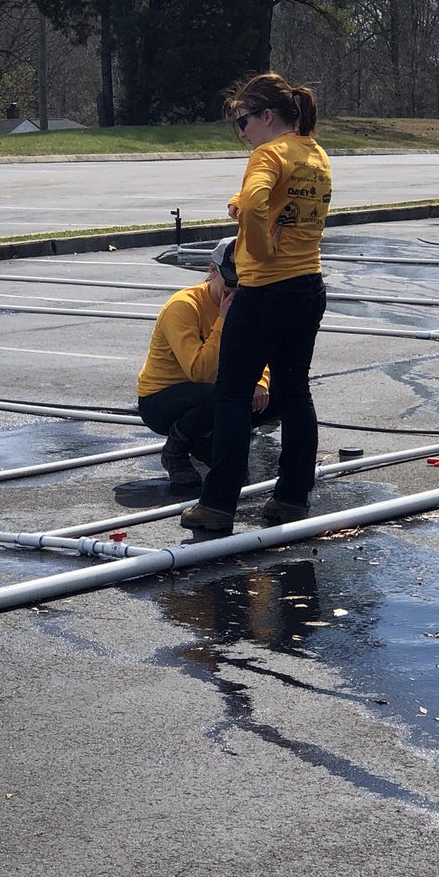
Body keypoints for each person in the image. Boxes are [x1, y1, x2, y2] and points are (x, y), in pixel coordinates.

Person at [180, 71, 332, 534]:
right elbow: (290, 201)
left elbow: (256, 201)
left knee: (231, 394)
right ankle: (291, 497)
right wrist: (245, 205)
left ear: (267, 116)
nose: (242, 134)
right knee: (295, 390)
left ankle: (218, 504)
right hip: (309, 284)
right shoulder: (315, 153)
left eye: (243, 122)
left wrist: (259, 245)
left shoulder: (268, 153)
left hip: (266, 288)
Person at [137, 237, 275, 487]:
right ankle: (176, 450)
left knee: (282, 394)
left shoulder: (245, 300)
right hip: (161, 398)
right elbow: (199, 371)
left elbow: (258, 349)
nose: (235, 292)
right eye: (230, 283)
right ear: (212, 272)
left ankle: (205, 439)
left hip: (213, 390)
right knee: (219, 396)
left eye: (242, 284)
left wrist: (261, 382)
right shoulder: (183, 307)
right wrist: (223, 320)